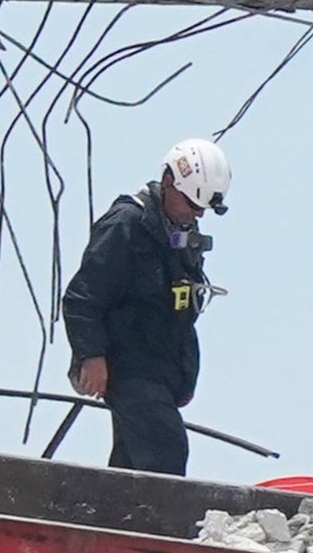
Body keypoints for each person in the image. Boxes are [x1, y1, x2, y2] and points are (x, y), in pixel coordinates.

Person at [61, 138, 231, 476]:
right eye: (192, 204)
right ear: (169, 182)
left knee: (130, 465)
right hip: (128, 366)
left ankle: (111, 523)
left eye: (202, 209)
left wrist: (182, 376)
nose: (197, 215)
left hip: (160, 370)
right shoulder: (126, 225)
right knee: (164, 449)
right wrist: (92, 357)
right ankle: (157, 526)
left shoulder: (179, 234)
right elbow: (82, 296)